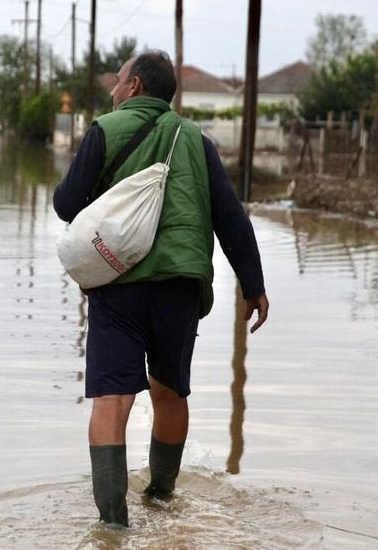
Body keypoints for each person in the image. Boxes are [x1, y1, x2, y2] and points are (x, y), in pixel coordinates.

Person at [53, 50, 269, 527]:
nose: (112, 89)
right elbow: (230, 217)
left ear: (134, 87)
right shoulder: (197, 140)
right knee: (170, 392)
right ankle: (161, 498)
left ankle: (112, 524)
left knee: (113, 399)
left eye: (117, 81)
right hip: (180, 287)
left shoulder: (104, 132)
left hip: (118, 286)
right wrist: (252, 285)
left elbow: (67, 205)